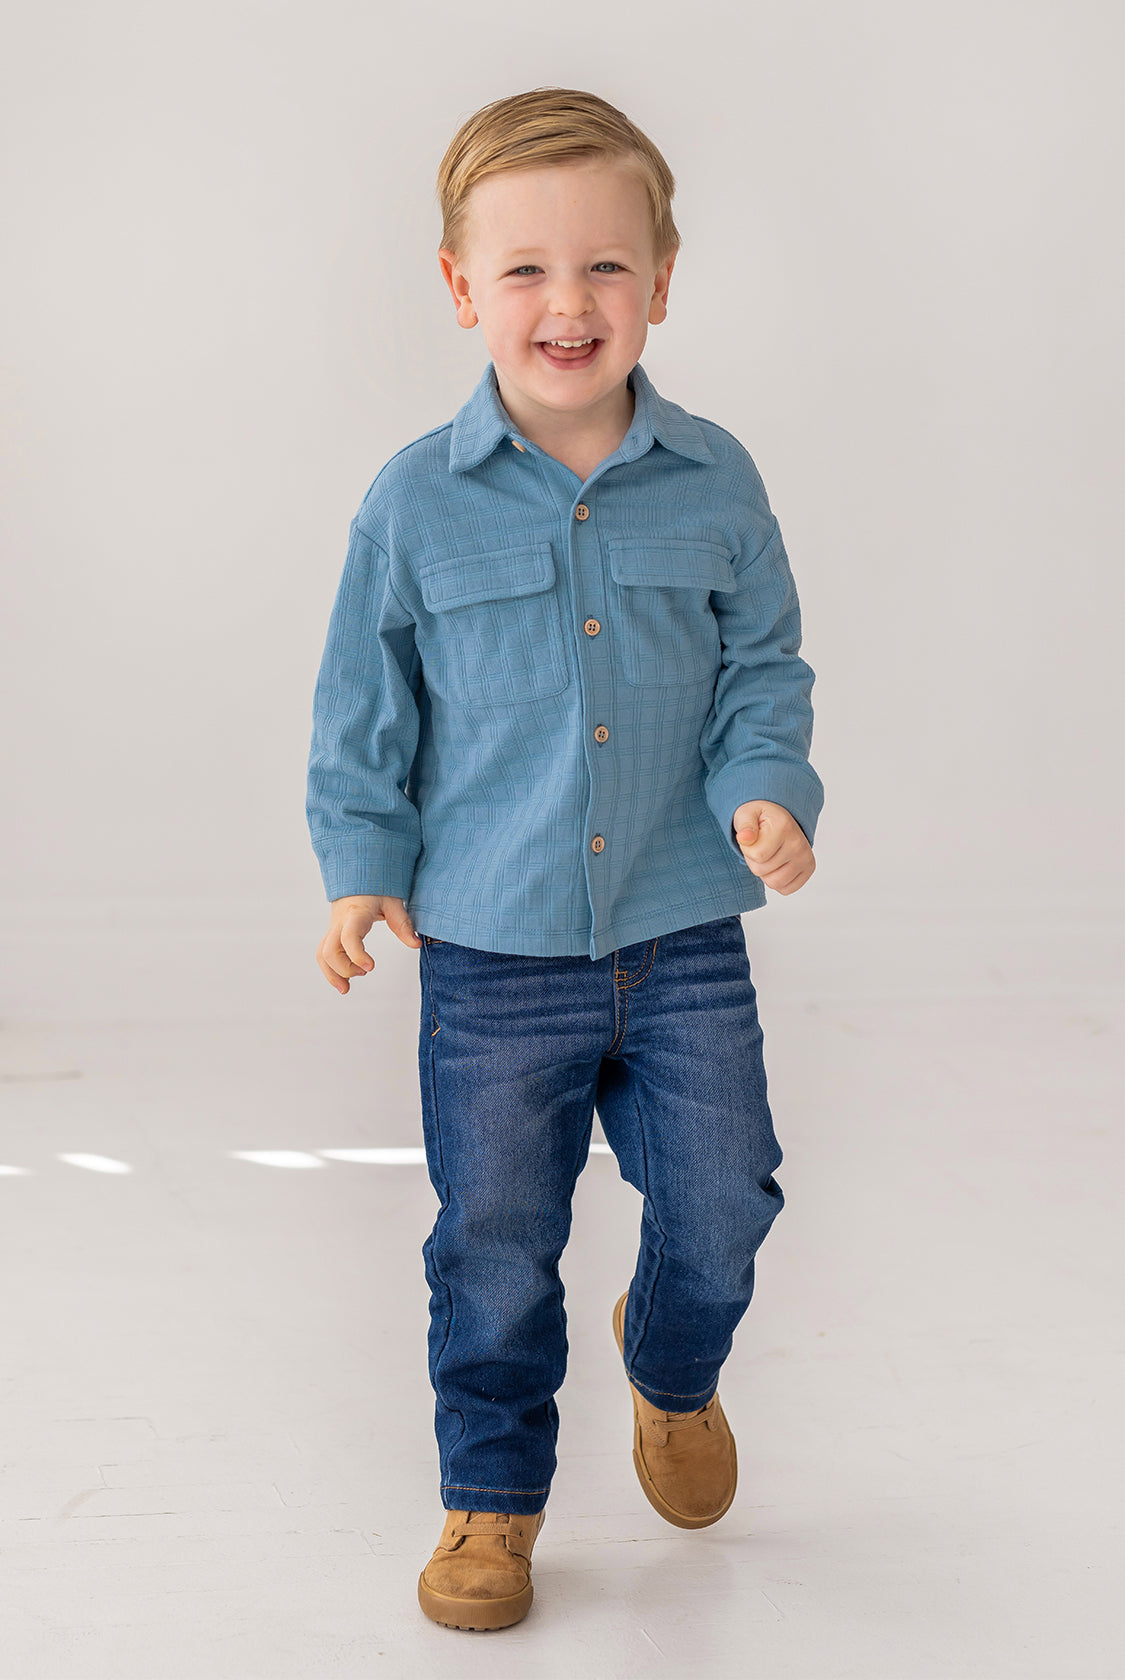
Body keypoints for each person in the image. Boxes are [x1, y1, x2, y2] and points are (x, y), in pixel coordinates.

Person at [306, 86, 825, 1633]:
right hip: (491, 951)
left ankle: (671, 1368)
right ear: (462, 289)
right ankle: (492, 1502)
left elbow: (763, 669)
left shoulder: (716, 480)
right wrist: (358, 864)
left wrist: (767, 784)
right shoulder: (412, 503)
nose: (566, 302)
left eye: (605, 266)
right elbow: (361, 707)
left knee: (725, 1195)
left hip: (680, 932)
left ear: (660, 282)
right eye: (523, 269)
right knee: (491, 1241)